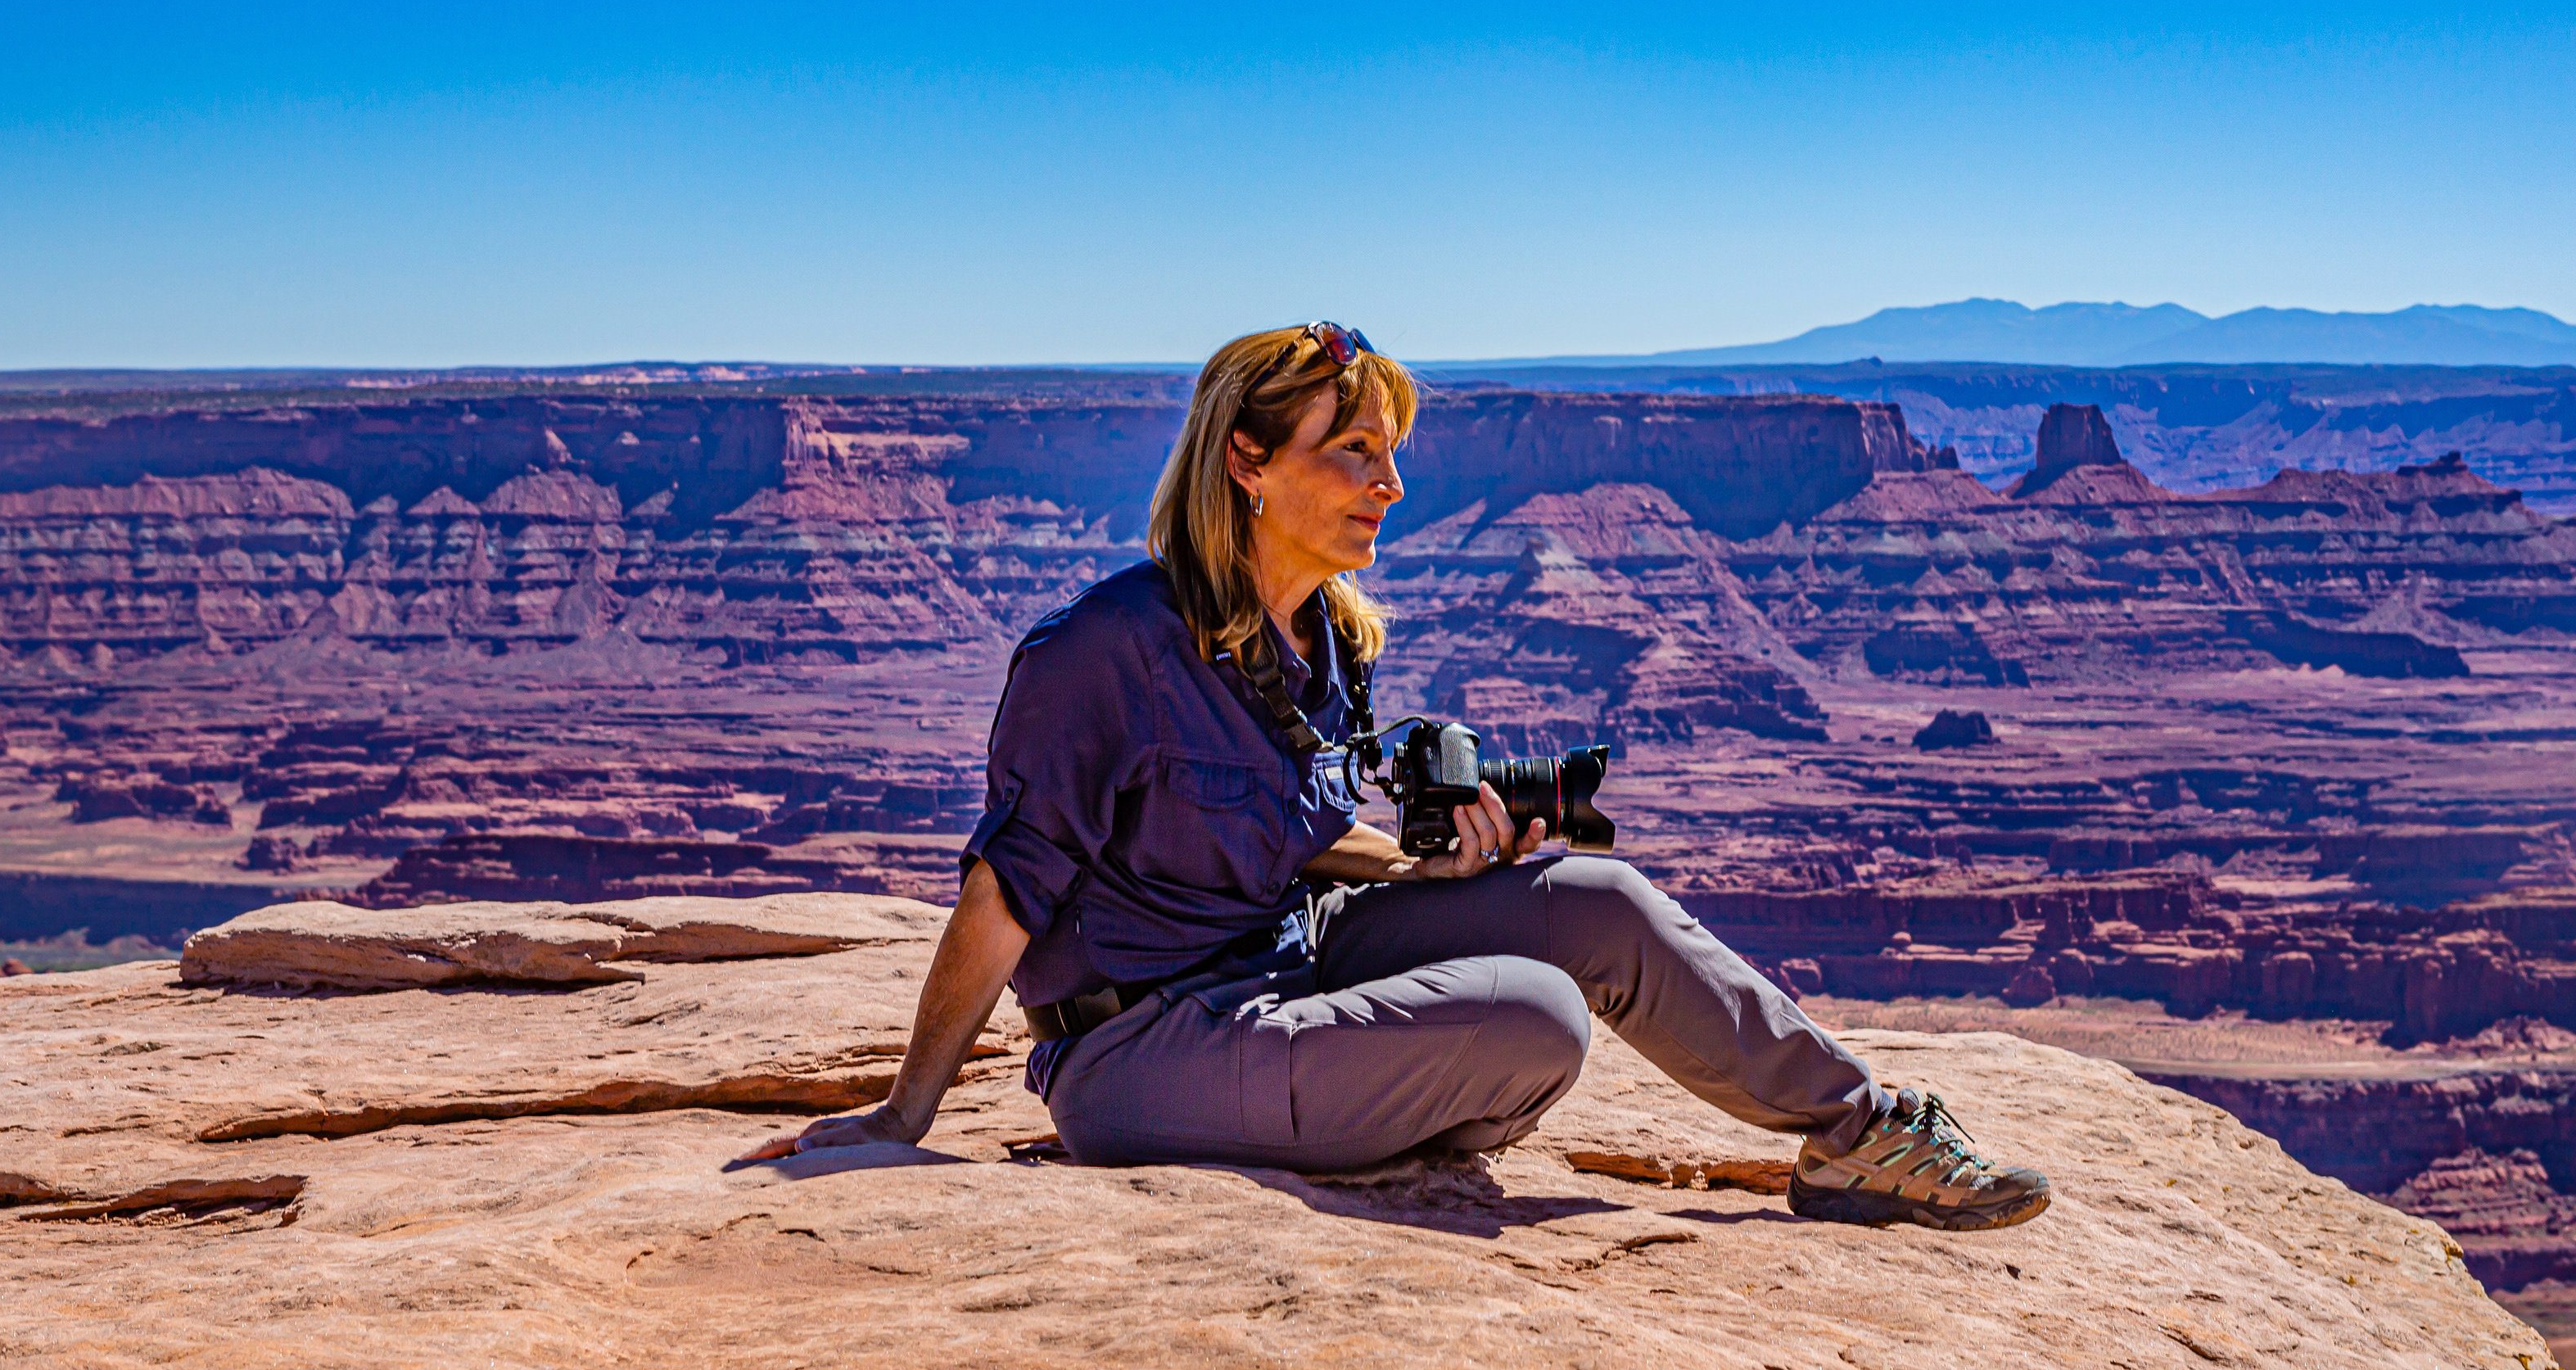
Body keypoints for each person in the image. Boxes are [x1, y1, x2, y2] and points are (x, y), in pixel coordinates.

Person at [742, 323, 2050, 1231]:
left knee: (1593, 896)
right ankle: (1380, 1114)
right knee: (1536, 1020)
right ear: (1248, 464)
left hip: (1292, 965)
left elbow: (1290, 847)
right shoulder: (1106, 651)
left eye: (1390, 452)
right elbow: (1005, 893)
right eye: (1353, 452)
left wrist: (1445, 867)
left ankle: (1859, 1134)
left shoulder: (1326, 636)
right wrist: (907, 1114)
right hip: (1145, 1047)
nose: (1391, 483)